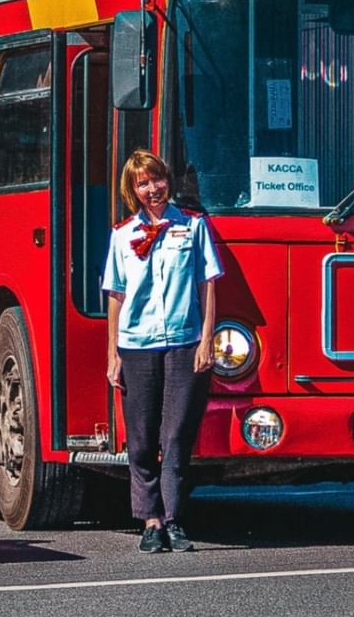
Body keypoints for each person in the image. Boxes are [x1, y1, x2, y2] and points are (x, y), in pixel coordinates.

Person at [103, 149, 222, 554]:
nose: (152, 189)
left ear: (167, 181)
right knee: (140, 439)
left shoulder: (192, 226)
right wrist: (112, 355)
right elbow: (116, 296)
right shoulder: (121, 235)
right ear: (132, 190)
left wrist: (207, 339)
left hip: (184, 343)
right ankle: (149, 520)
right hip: (136, 346)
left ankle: (174, 519)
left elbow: (208, 284)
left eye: (157, 180)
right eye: (143, 183)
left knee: (175, 436)